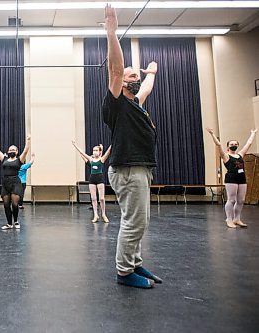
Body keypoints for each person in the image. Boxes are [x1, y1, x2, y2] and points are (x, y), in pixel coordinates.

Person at [102, 4, 162, 289]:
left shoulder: (137, 104)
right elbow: (115, 69)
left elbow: (148, 86)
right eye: (131, 77)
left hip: (140, 169)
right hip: (127, 169)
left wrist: (150, 71)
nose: (135, 79)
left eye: (135, 77)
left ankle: (135, 262)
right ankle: (124, 272)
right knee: (134, 222)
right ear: (121, 84)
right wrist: (112, 33)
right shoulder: (117, 105)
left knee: (140, 221)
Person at [206, 128, 257, 228]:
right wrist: (212, 134)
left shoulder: (240, 154)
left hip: (242, 178)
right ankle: (229, 219)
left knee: (241, 200)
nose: (234, 146)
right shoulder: (226, 156)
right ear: (228, 146)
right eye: (231, 144)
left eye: (235, 144)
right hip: (231, 179)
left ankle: (237, 218)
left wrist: (253, 133)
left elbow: (249, 143)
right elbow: (218, 145)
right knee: (232, 200)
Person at [0, 133, 30, 230]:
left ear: (17, 152)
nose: (11, 151)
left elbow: (26, 151)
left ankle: (16, 221)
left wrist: (28, 140)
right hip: (5, 183)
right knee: (6, 204)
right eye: (10, 149)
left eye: (13, 150)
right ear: (8, 151)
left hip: (15, 183)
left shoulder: (19, 160)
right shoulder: (4, 159)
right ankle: (9, 223)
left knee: (14, 204)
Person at [72, 141, 111, 222]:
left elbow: (108, 152)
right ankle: (96, 215)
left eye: (96, 150)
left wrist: (112, 144)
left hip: (100, 179)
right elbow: (82, 153)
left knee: (102, 198)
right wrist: (75, 145)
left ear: (100, 152)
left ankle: (103, 214)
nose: (94, 152)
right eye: (93, 150)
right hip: (92, 179)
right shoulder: (91, 159)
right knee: (93, 198)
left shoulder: (102, 159)